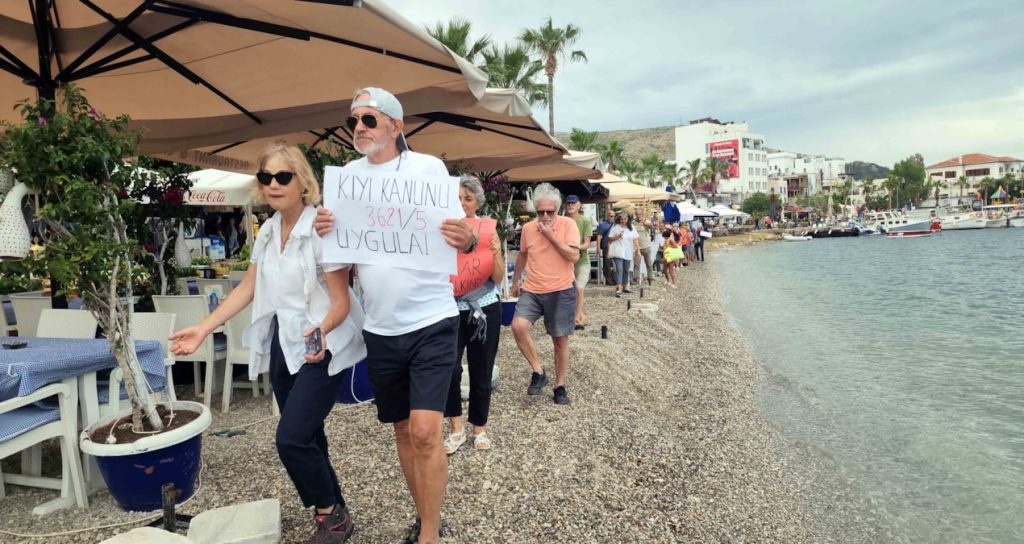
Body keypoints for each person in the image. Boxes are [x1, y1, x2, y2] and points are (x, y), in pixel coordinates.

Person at [169, 142, 365, 543]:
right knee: (309, 434)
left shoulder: (323, 230)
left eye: (282, 176)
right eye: (266, 177)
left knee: (291, 438)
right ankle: (336, 508)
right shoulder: (268, 230)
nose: (273, 184)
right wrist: (204, 327)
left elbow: (342, 302)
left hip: (322, 343)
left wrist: (321, 331)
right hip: (284, 343)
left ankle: (330, 516)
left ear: (302, 181)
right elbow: (249, 288)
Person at [313, 87, 475, 544]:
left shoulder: (429, 171)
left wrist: (465, 238)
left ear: (396, 125)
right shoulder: (346, 177)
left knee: (426, 431)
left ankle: (429, 533)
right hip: (380, 329)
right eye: (353, 121)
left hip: (432, 321)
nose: (359, 129)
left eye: (369, 119)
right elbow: (339, 259)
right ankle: (425, 514)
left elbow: (461, 241)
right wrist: (325, 230)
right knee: (403, 430)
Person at [443, 176, 505, 454]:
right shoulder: (441, 230)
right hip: (448, 309)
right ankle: (455, 427)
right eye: (457, 198)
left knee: (482, 369)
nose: (462, 203)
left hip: (485, 307)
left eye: (467, 198)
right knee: (449, 369)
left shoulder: (488, 230)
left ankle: (479, 428)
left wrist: (496, 253)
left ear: (477, 202)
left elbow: (499, 277)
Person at [510, 183, 580, 405]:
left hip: (561, 289)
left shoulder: (568, 225)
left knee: (559, 339)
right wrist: (515, 280)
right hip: (532, 288)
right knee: (518, 326)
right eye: (541, 212)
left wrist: (551, 236)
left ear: (557, 210)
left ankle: (560, 385)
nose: (545, 216)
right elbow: (522, 254)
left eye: (550, 211)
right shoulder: (529, 228)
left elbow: (574, 257)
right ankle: (538, 372)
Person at [564, 194, 592, 330]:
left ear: (579, 205)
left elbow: (587, 243)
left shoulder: (585, 221)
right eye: (568, 203)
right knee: (570, 290)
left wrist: (575, 247)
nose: (570, 205)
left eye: (573, 203)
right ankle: (579, 314)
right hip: (567, 262)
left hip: (582, 261)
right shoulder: (562, 222)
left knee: (579, 288)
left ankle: (577, 317)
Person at [607, 211, 637, 297]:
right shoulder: (615, 227)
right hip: (618, 251)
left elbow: (635, 238)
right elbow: (610, 239)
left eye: (625, 219)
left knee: (626, 270)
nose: (623, 220)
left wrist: (637, 249)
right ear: (619, 219)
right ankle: (618, 288)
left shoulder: (631, 227)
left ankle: (625, 287)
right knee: (619, 269)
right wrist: (618, 236)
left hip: (628, 251)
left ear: (628, 219)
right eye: (621, 219)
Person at [594, 207, 615, 285]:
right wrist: (598, 247)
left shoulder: (616, 224)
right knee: (607, 264)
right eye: (611, 216)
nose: (612, 217)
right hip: (606, 246)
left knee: (615, 264)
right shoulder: (602, 225)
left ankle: (614, 279)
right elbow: (599, 237)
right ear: (607, 216)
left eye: (613, 216)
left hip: (615, 246)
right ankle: (609, 280)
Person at [633, 219, 654, 285]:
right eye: (637, 214)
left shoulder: (646, 221)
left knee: (648, 263)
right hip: (637, 246)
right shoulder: (633, 223)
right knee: (636, 263)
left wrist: (647, 224)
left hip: (646, 246)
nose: (638, 216)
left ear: (642, 215)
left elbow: (652, 227)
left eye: (639, 214)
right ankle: (636, 278)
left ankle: (650, 277)